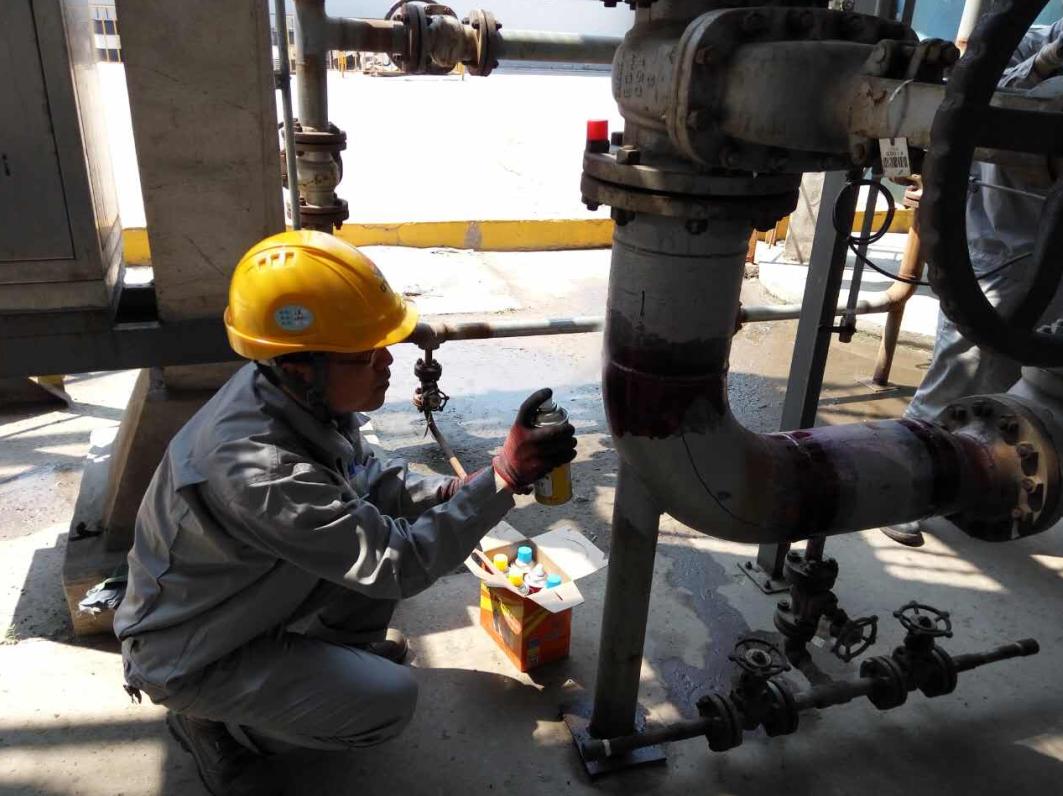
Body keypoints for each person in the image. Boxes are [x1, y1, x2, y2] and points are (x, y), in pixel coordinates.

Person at [113, 230, 577, 794]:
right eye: (365, 354)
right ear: (301, 366)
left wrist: (462, 488)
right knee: (388, 702)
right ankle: (216, 721)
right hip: (193, 651)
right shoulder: (260, 470)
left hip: (240, 598)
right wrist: (504, 477)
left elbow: (367, 478)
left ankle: (324, 661)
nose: (386, 362)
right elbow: (398, 563)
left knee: (372, 522)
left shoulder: (285, 389)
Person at [883, 20, 1063, 546]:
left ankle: (976, 482)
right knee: (959, 373)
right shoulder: (1025, 41)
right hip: (997, 251)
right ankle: (900, 488)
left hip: (1053, 255)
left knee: (1025, 384)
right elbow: (978, 96)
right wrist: (1049, 60)